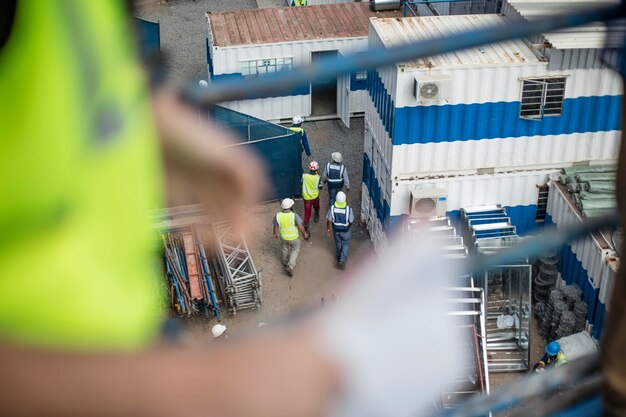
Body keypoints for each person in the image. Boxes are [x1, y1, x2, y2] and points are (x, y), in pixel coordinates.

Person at [273, 198, 309, 276]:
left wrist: (275, 234)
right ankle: (290, 266)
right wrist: (305, 233)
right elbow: (301, 227)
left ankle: (285, 262)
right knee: (295, 250)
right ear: (290, 207)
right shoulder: (294, 216)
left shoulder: (278, 215)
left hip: (284, 237)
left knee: (285, 249)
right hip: (294, 238)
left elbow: (275, 226)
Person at [326, 191, 353, 270]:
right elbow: (351, 221)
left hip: (336, 230)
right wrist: (348, 226)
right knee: (346, 244)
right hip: (346, 230)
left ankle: (338, 256)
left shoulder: (332, 208)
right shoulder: (348, 209)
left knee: (338, 243)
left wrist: (328, 229)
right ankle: (342, 260)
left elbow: (329, 220)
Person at [302, 160, 322, 232]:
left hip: (306, 198)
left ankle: (306, 225)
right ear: (317, 169)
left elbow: (301, 181)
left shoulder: (304, 176)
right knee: (316, 207)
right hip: (314, 197)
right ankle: (316, 215)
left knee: (307, 212)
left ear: (309, 168)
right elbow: (320, 187)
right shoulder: (318, 178)